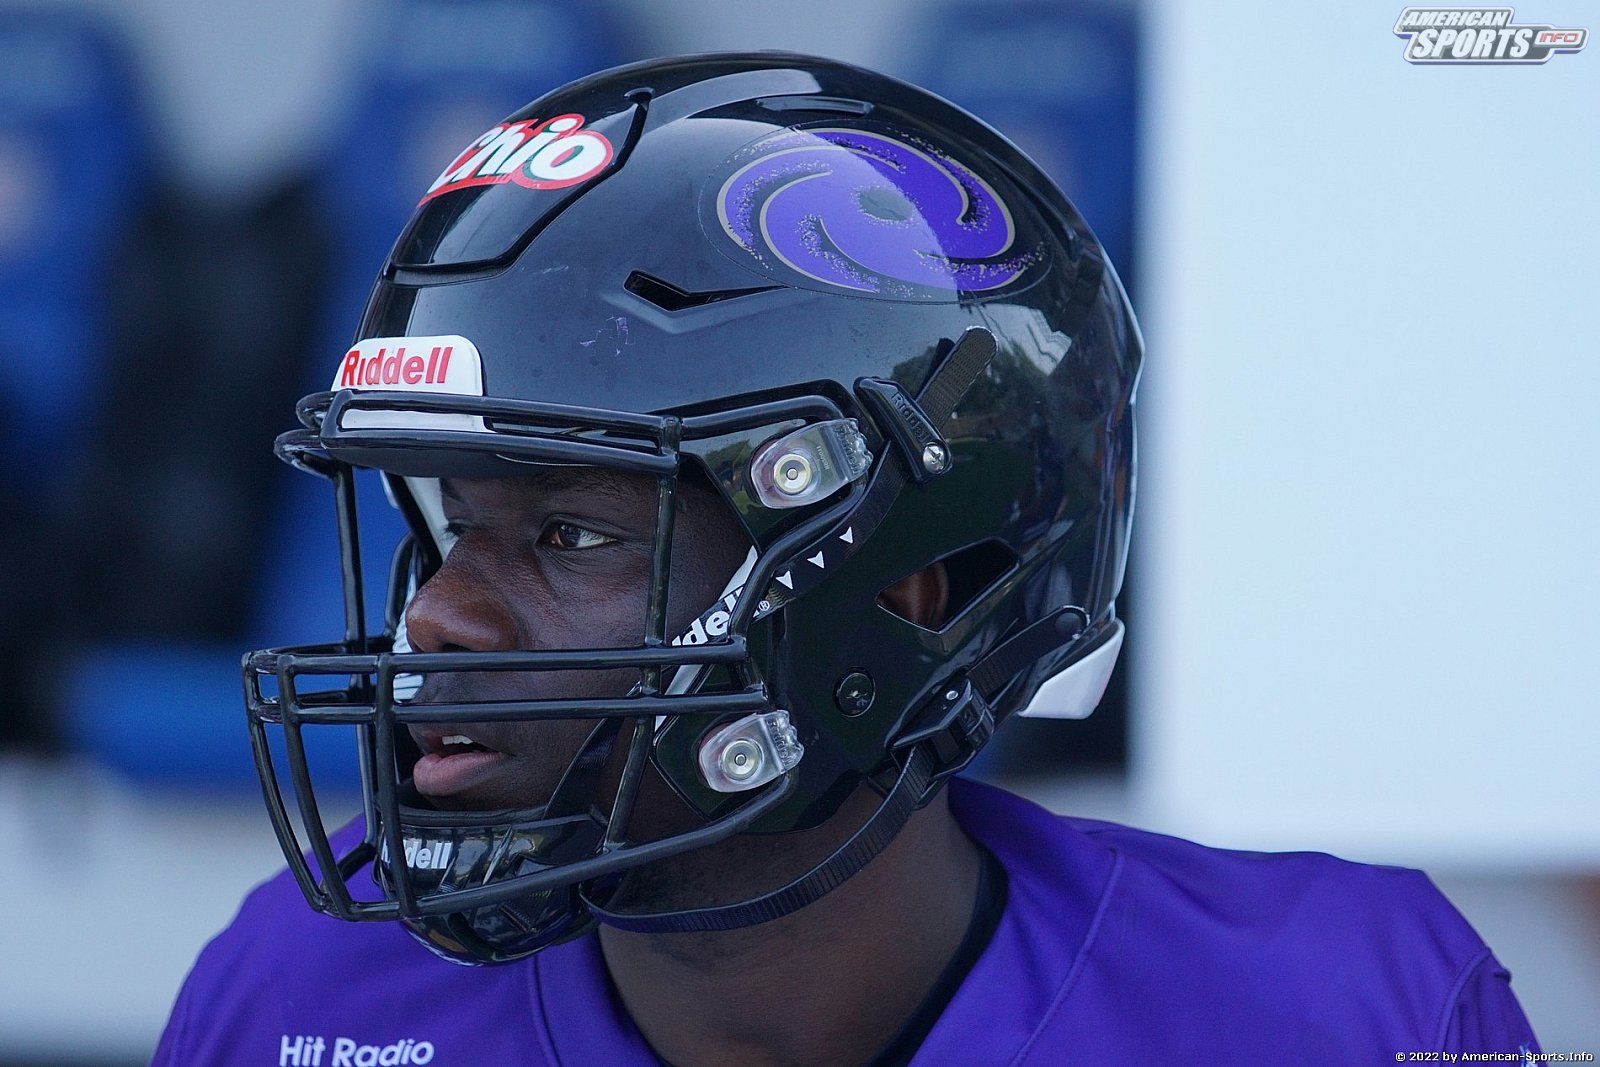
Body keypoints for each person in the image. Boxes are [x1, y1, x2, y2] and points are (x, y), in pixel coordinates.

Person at [154, 53, 1539, 1065]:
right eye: (453, 527)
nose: (439, 622)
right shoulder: (296, 996)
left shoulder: (1347, 1015)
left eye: (572, 532)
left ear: (907, 598)